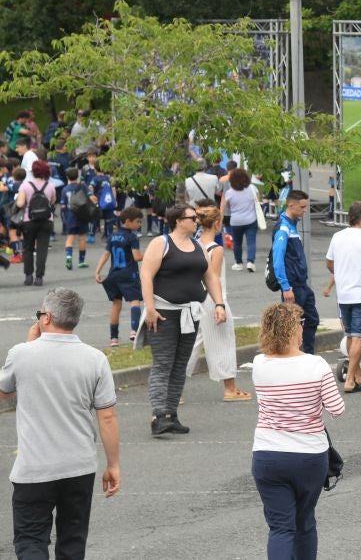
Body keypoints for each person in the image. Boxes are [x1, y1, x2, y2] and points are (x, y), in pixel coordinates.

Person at [0, 287, 120, 559]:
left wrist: (29, 345)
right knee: (73, 540)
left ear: (46, 318)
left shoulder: (21, 354)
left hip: (34, 468)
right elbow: (107, 416)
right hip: (79, 466)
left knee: (31, 538)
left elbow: (3, 390)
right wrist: (113, 464)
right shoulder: (95, 359)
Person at [251, 302, 345, 560]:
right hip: (308, 454)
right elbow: (337, 409)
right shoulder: (316, 366)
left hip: (267, 453)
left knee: (280, 527)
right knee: (304, 522)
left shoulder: (259, 364)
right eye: (300, 325)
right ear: (293, 330)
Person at [140, 202, 227, 435]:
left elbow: (210, 277)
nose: (196, 221)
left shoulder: (197, 245)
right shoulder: (161, 243)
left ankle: (171, 415)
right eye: (192, 218)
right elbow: (146, 275)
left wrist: (219, 304)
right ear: (178, 221)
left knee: (180, 365)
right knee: (163, 363)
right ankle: (158, 416)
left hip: (190, 312)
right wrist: (149, 308)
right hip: (163, 312)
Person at [190, 202, 250, 402]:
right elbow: (212, 277)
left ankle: (174, 388)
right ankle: (230, 388)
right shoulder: (215, 249)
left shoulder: (193, 245)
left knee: (192, 344)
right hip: (214, 298)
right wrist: (219, 305)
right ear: (216, 224)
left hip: (195, 297)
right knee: (223, 341)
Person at [324, 201, 361, 394]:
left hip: (344, 294)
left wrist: (342, 273)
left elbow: (329, 263)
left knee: (351, 334)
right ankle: (350, 379)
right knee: (359, 336)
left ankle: (357, 374)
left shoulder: (337, 237)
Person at [271, 190, 318, 354]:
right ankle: (294, 356)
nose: (305, 210)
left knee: (311, 319)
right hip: (293, 286)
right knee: (292, 325)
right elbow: (278, 258)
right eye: (302, 207)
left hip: (301, 285)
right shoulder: (283, 228)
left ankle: (307, 355)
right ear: (291, 205)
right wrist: (285, 286)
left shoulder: (291, 225)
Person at [93, 208, 144, 348]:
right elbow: (137, 257)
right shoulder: (132, 237)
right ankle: (135, 331)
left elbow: (106, 254)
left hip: (113, 275)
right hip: (128, 275)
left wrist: (98, 271)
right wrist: (152, 255)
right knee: (134, 301)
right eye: (138, 222)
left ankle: (114, 338)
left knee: (116, 305)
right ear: (128, 221)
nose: (139, 224)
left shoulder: (113, 236)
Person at [15, 159, 57, 288]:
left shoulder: (25, 185)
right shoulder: (50, 186)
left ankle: (28, 276)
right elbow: (53, 202)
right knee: (42, 249)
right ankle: (39, 277)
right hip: (46, 221)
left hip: (29, 221)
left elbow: (20, 204)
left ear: (33, 171)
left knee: (28, 248)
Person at [222, 167, 261, 272]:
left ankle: (238, 263)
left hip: (236, 221)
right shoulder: (253, 188)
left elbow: (228, 206)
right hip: (251, 219)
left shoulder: (229, 192)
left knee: (237, 243)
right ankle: (250, 262)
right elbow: (257, 200)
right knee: (251, 241)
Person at [60, 166, 92, 271]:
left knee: (70, 238)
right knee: (82, 238)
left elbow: (63, 205)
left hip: (70, 216)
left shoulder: (65, 189)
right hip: (82, 216)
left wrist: (64, 217)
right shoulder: (83, 186)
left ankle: (68, 257)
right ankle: (81, 261)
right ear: (78, 176)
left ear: (67, 177)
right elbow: (90, 197)